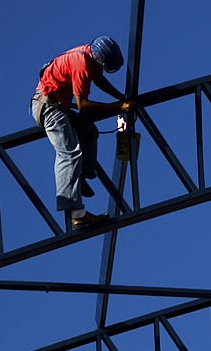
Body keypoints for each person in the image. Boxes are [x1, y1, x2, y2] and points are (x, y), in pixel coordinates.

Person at [30, 36, 134, 231]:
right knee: (69, 155)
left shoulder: (90, 55)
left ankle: (82, 175)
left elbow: (100, 80)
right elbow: (82, 105)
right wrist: (117, 106)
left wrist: (121, 97)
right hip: (49, 108)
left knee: (89, 130)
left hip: (57, 106)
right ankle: (76, 215)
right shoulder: (82, 64)